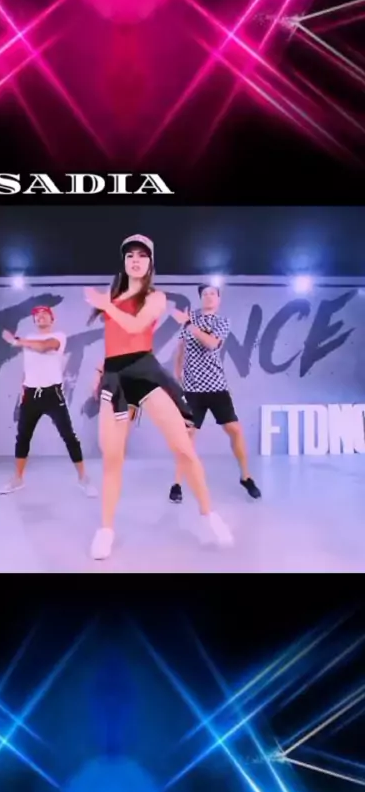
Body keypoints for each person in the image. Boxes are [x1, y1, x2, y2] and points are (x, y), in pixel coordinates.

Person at [84, 234, 233, 561]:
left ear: (150, 263)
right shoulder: (114, 296)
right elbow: (113, 338)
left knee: (183, 448)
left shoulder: (155, 297)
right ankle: (106, 529)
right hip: (115, 375)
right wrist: (100, 369)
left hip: (145, 372)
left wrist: (105, 305)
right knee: (112, 457)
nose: (135, 260)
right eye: (130, 256)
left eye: (142, 255)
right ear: (124, 262)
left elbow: (135, 326)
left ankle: (209, 515)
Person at [169, 284, 261, 504]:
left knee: (235, 430)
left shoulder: (221, 322)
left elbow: (211, 344)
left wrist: (189, 324)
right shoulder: (190, 319)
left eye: (213, 293)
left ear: (218, 299)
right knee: (187, 436)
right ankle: (177, 483)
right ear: (200, 298)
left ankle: (246, 477)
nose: (209, 296)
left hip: (216, 386)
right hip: (192, 389)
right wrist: (177, 374)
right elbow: (180, 349)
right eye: (205, 294)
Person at [0, 305, 97, 497]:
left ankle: (83, 479)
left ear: (52, 319)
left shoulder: (58, 336)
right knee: (23, 438)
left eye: (45, 314)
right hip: (30, 395)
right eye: (37, 315)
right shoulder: (29, 338)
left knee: (69, 437)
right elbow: (28, 367)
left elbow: (45, 347)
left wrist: (16, 341)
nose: (40, 317)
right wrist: (22, 389)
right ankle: (18, 479)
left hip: (53, 395)